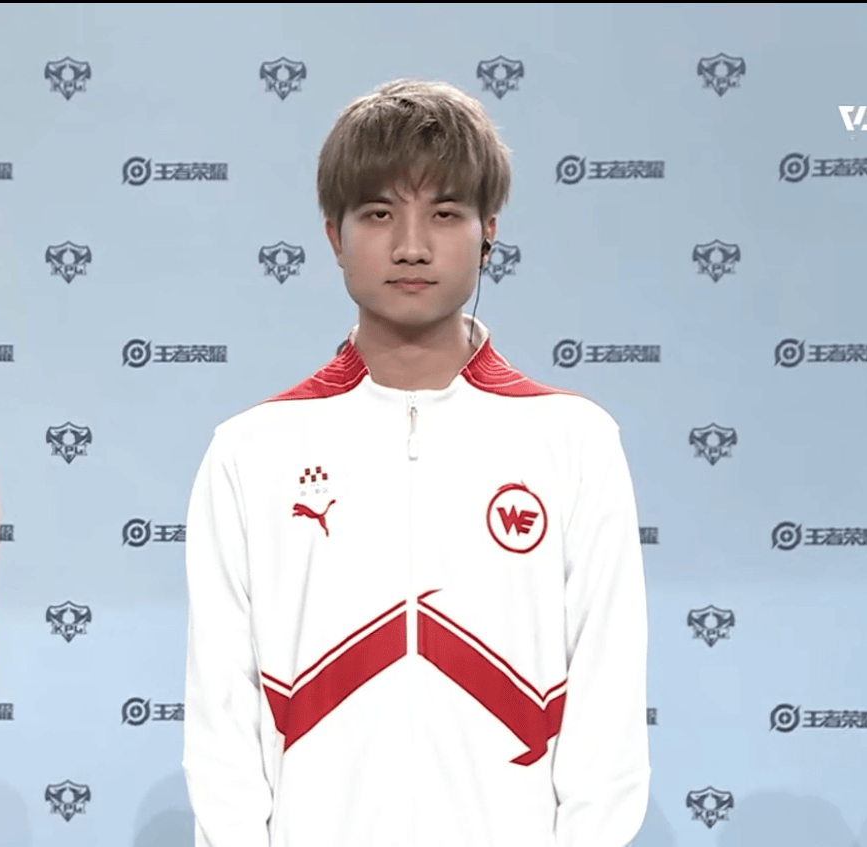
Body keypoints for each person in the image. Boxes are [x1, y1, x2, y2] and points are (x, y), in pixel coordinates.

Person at [181, 79, 650, 846]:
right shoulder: (251, 450)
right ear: (333, 235)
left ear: (487, 231)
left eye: (443, 213)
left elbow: (607, 704)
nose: (410, 245)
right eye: (377, 213)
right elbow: (220, 717)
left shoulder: (572, 439)